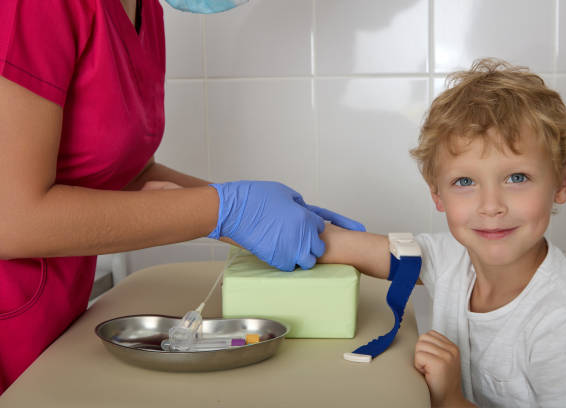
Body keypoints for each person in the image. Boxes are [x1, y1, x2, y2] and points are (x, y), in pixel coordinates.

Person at [0, 0, 363, 394]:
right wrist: (227, 210)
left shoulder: (145, 11)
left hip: (56, 323)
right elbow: (10, 218)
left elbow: (125, 174)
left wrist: (250, 217)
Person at [317, 59, 566, 407]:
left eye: (516, 177)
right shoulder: (453, 259)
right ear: (437, 194)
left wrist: (452, 398)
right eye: (465, 181)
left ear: (562, 181)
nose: (491, 206)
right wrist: (245, 223)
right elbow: (358, 249)